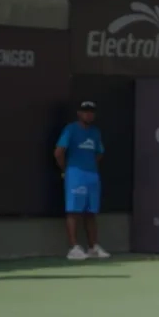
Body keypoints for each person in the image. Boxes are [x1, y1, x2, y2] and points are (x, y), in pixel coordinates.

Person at [54, 101, 110, 261]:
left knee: (91, 212)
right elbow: (59, 152)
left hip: (92, 175)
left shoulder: (95, 132)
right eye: (85, 111)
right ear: (79, 113)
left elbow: (99, 152)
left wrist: (89, 165)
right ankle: (74, 247)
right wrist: (67, 169)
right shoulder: (70, 129)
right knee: (73, 211)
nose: (89, 114)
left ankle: (93, 247)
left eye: (91, 111)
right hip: (75, 175)